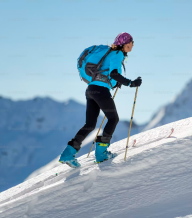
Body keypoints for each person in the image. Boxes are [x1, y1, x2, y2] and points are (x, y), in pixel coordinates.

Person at [59, 32, 142, 167]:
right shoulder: (117, 54)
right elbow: (114, 74)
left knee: (90, 124)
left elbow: (109, 74)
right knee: (113, 119)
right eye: (132, 42)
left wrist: (116, 83)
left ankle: (68, 153)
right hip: (101, 91)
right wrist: (131, 83)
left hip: (91, 90)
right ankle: (101, 153)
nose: (132, 45)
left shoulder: (110, 53)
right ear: (126, 44)